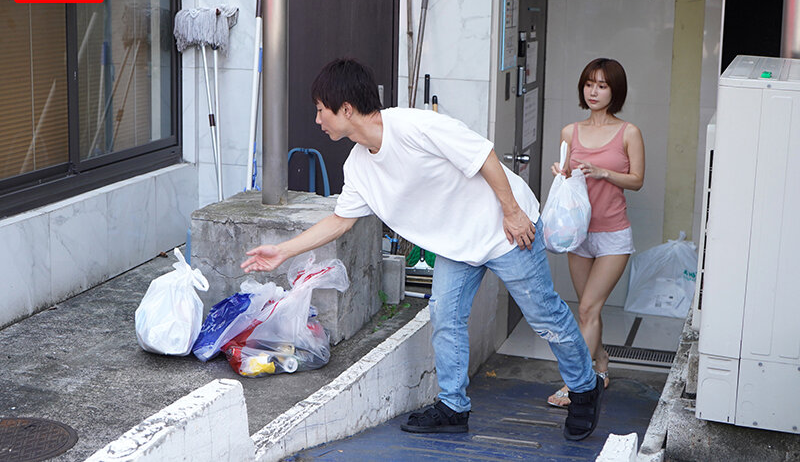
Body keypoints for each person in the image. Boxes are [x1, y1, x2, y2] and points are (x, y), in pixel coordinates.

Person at [241, 58, 603, 440]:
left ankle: (584, 388)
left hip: (504, 229)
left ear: (345, 109)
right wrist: (284, 251)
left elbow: (483, 155)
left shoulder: (414, 126)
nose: (317, 120)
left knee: (544, 314)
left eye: (320, 110)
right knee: (445, 316)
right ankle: (453, 407)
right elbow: (340, 220)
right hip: (456, 245)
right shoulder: (358, 166)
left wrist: (512, 212)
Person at [547, 58, 645, 408]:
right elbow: (568, 177)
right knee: (588, 311)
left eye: (602, 86)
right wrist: (562, 172)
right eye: (589, 84)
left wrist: (604, 173)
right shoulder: (569, 132)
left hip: (613, 235)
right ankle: (600, 361)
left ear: (615, 91)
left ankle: (575, 385)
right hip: (578, 234)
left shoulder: (629, 132)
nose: (594, 91)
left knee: (588, 308)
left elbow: (637, 180)